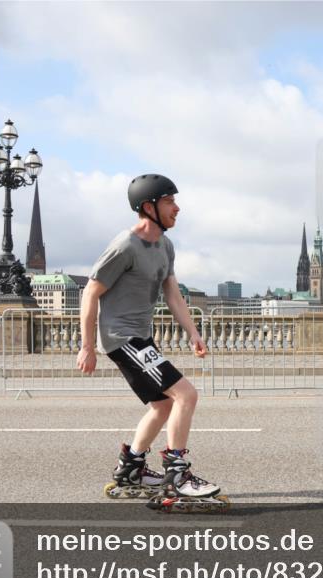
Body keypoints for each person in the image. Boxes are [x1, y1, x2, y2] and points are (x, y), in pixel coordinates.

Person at [76, 174, 220, 505]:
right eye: (170, 201)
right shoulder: (124, 246)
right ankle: (177, 476)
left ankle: (132, 468)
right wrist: (86, 346)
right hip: (122, 338)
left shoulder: (165, 246)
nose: (177, 208)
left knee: (163, 404)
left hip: (141, 337)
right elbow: (90, 293)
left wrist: (193, 333)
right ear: (148, 207)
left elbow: (172, 294)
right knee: (186, 395)